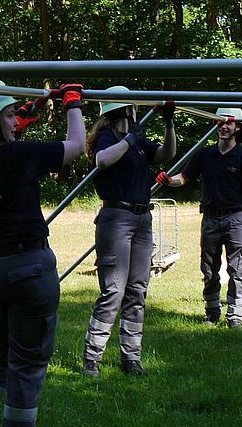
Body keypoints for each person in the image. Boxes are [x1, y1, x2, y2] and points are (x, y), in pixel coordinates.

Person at [0, 80, 86, 427]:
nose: (15, 122)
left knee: (1, 356)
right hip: (27, 269)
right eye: (9, 116)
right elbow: (77, 145)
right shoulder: (19, 157)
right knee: (27, 364)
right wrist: (73, 103)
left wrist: (25, 113)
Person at [80, 87, 176, 378]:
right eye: (133, 107)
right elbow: (102, 160)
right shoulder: (108, 138)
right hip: (116, 218)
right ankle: (92, 359)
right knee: (113, 291)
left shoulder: (137, 142)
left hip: (142, 218)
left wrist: (169, 124)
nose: (136, 112)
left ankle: (131, 358)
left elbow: (165, 154)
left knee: (137, 290)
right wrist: (132, 137)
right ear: (124, 110)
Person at [157, 108, 242, 329]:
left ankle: (235, 314)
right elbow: (183, 178)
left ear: (238, 128)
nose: (224, 127)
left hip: (235, 219)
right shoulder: (204, 155)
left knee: (236, 269)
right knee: (209, 268)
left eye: (229, 123)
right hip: (209, 220)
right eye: (220, 123)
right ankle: (211, 311)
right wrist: (168, 180)